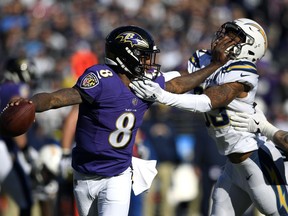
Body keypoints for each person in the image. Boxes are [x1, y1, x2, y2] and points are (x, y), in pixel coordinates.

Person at [6, 25, 232, 216]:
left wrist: (214, 65)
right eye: (143, 56)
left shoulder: (146, 84)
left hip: (117, 175)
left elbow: (179, 84)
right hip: (84, 174)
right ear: (126, 56)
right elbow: (57, 98)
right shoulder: (101, 79)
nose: (148, 63)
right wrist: (32, 104)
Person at [130, 18, 288, 215]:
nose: (224, 38)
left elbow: (209, 101)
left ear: (250, 47)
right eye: (226, 32)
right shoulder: (207, 60)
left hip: (258, 161)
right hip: (233, 166)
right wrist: (149, 83)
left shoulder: (243, 70)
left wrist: (161, 96)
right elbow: (180, 82)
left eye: (234, 36)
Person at [0, 57, 36, 216]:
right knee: (26, 201)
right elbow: (16, 113)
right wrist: (26, 149)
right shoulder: (17, 87)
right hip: (3, 147)